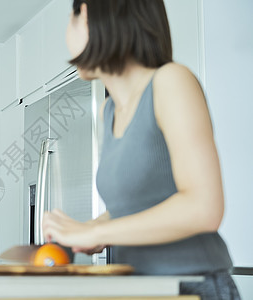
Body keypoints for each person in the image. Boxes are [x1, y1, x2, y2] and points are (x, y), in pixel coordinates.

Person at [42, 1, 240, 298]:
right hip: (140, 286)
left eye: (69, 21)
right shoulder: (108, 111)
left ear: (85, 15)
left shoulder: (171, 80)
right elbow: (135, 208)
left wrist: (96, 233)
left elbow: (204, 207)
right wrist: (85, 230)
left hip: (192, 286)